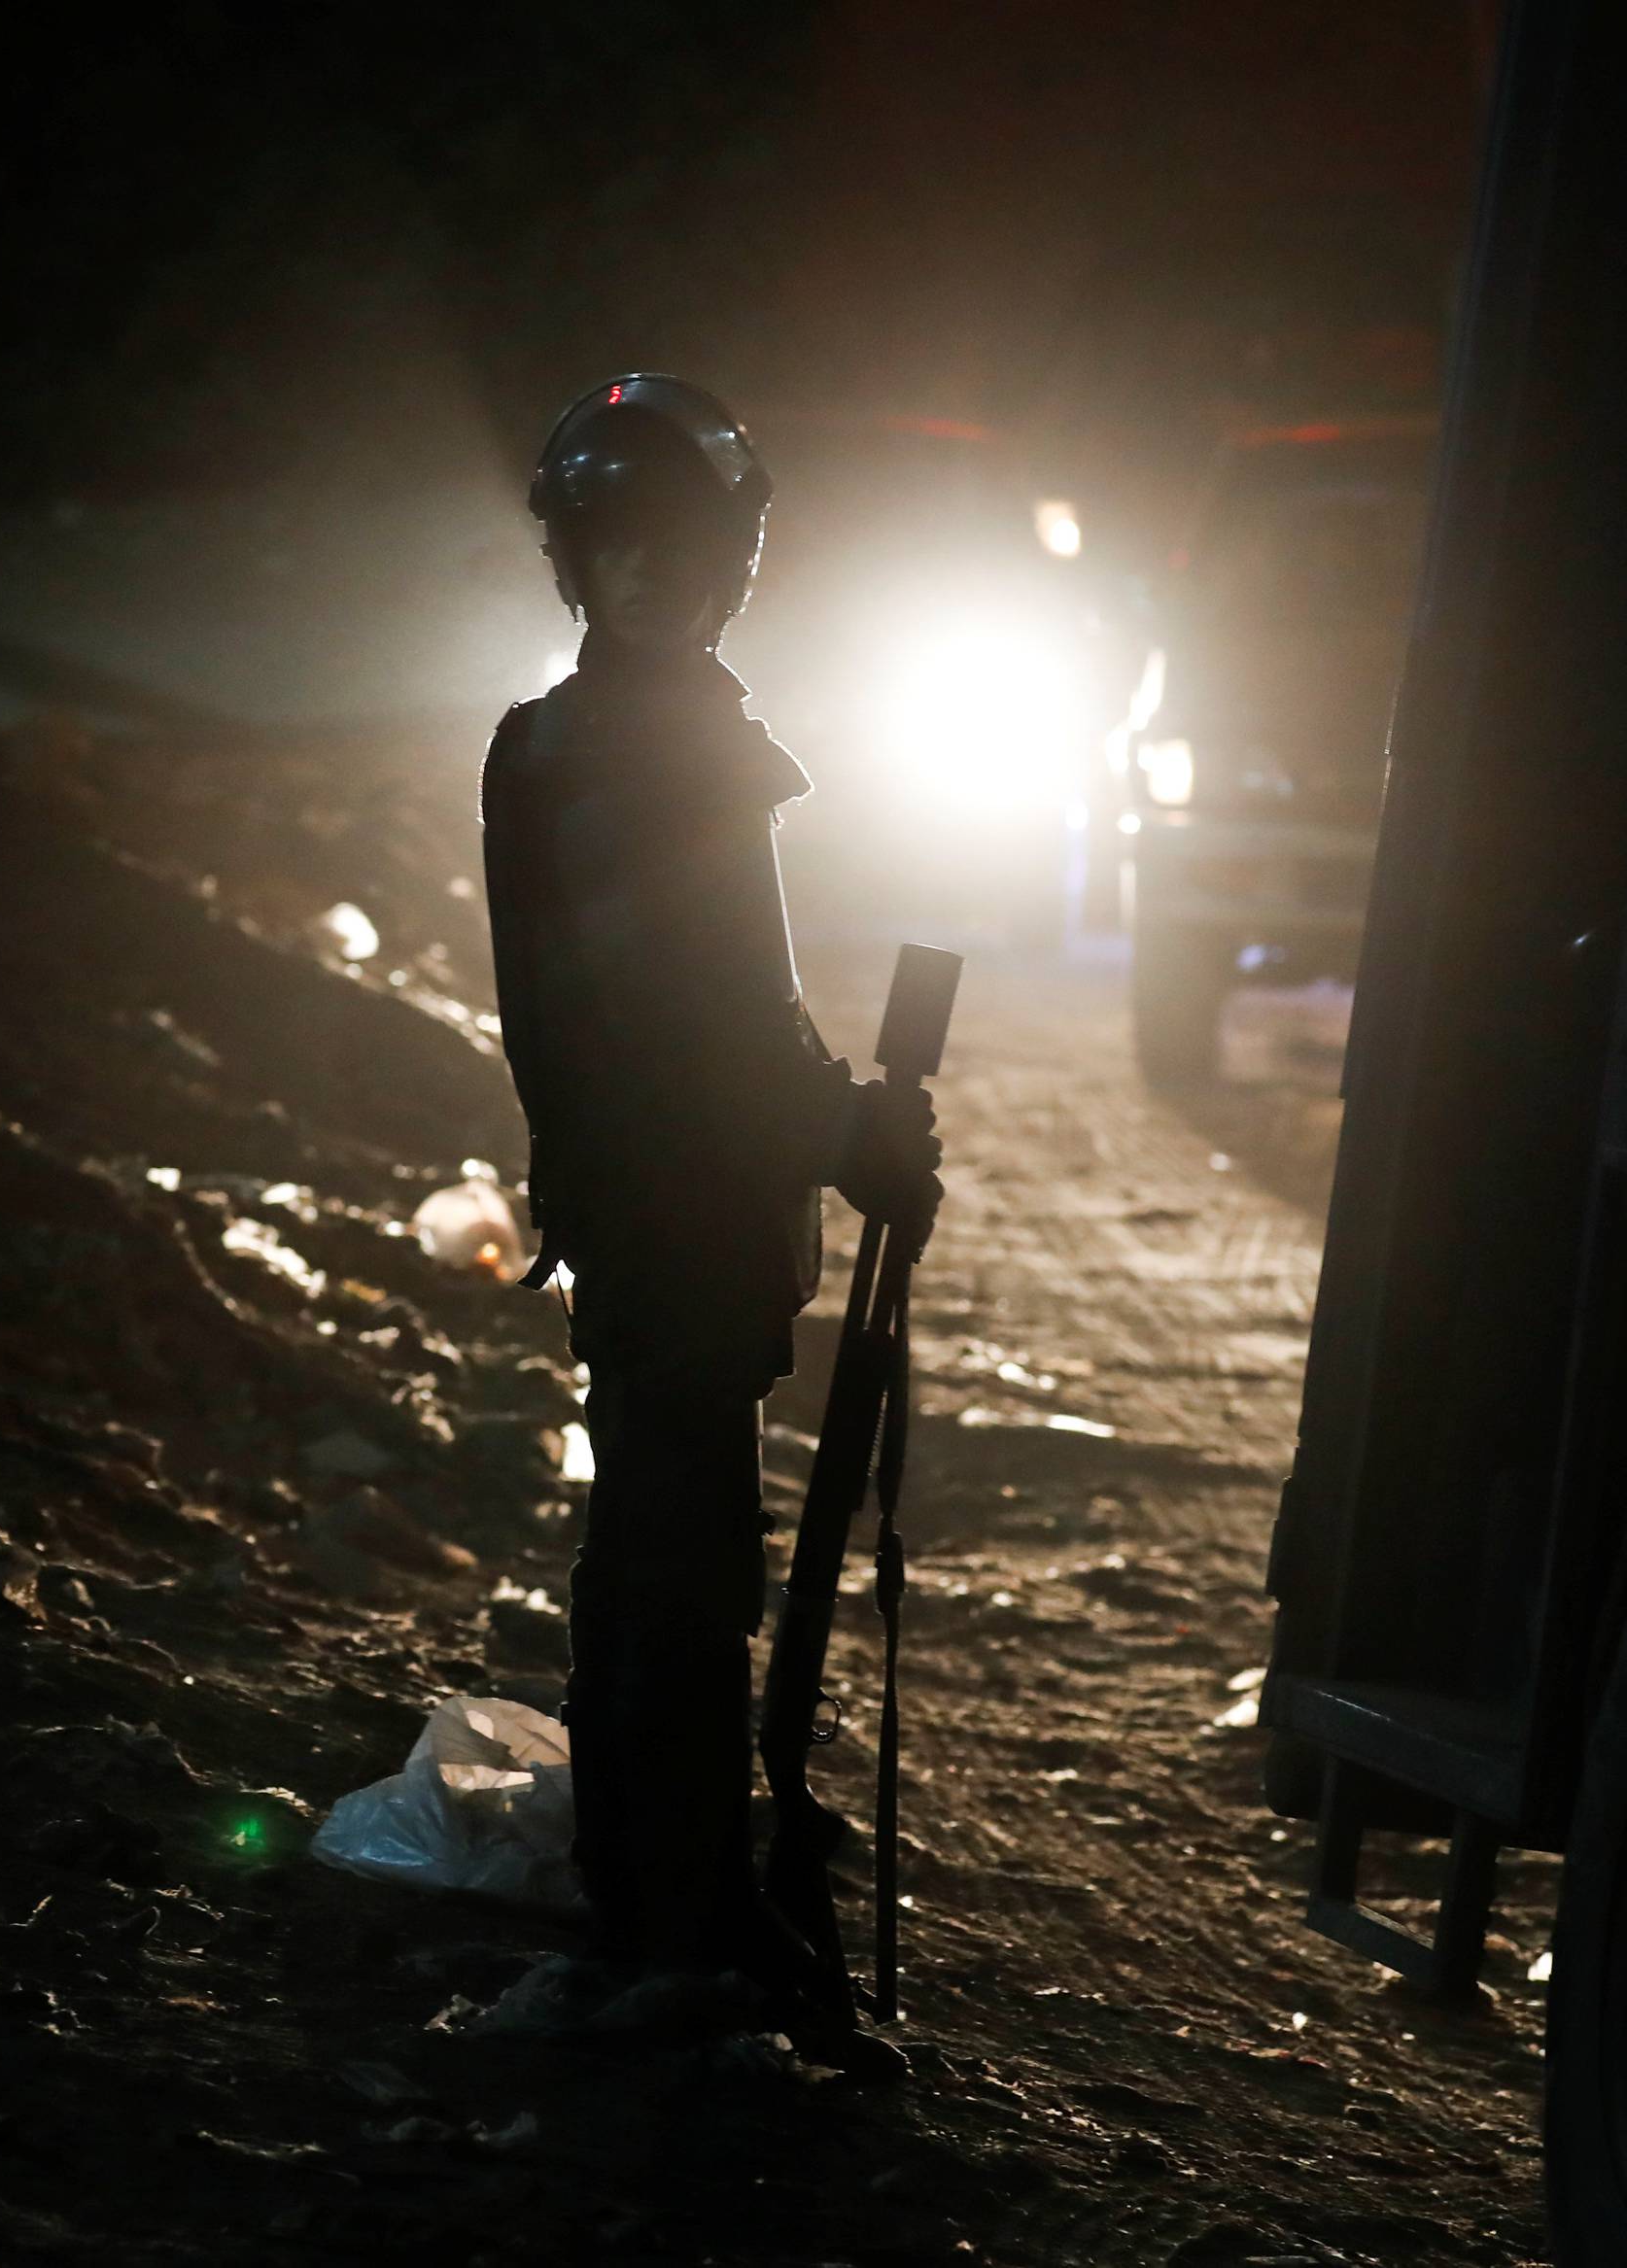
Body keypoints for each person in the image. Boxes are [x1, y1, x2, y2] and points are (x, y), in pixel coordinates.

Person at [480, 374, 941, 2050]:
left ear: (726, 565)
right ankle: (675, 1909)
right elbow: (695, 1016)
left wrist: (834, 1117)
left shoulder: (572, 739)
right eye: (621, 552)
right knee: (680, 1578)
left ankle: (666, 1886)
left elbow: (723, 1003)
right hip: (669, 1228)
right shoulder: (637, 754)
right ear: (579, 563)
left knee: (660, 1563)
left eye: (679, 553)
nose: (650, 578)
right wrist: (850, 1128)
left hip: (656, 1225)